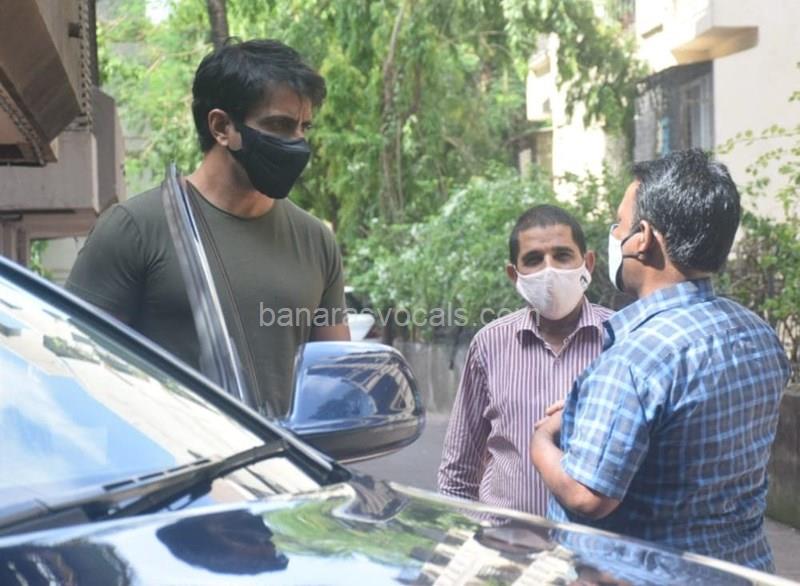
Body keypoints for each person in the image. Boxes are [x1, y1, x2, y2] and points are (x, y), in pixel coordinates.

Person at [531, 149, 791, 572]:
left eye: (618, 224)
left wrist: (542, 439)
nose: (614, 235)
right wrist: (586, 413)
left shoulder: (635, 360)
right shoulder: (757, 334)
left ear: (643, 238)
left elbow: (587, 494)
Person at [67, 40, 349, 417]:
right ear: (221, 126)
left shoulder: (316, 241)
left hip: (284, 457)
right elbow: (80, 370)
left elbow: (334, 387)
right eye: (279, 125)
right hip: (174, 453)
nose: (297, 143)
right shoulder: (133, 229)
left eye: (304, 127)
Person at [438, 205, 612, 516]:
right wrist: (467, 532)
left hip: (593, 543)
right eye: (533, 260)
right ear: (513, 275)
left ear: (587, 263)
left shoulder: (621, 340)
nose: (549, 270)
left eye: (562, 255)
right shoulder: (490, 344)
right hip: (504, 541)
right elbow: (458, 472)